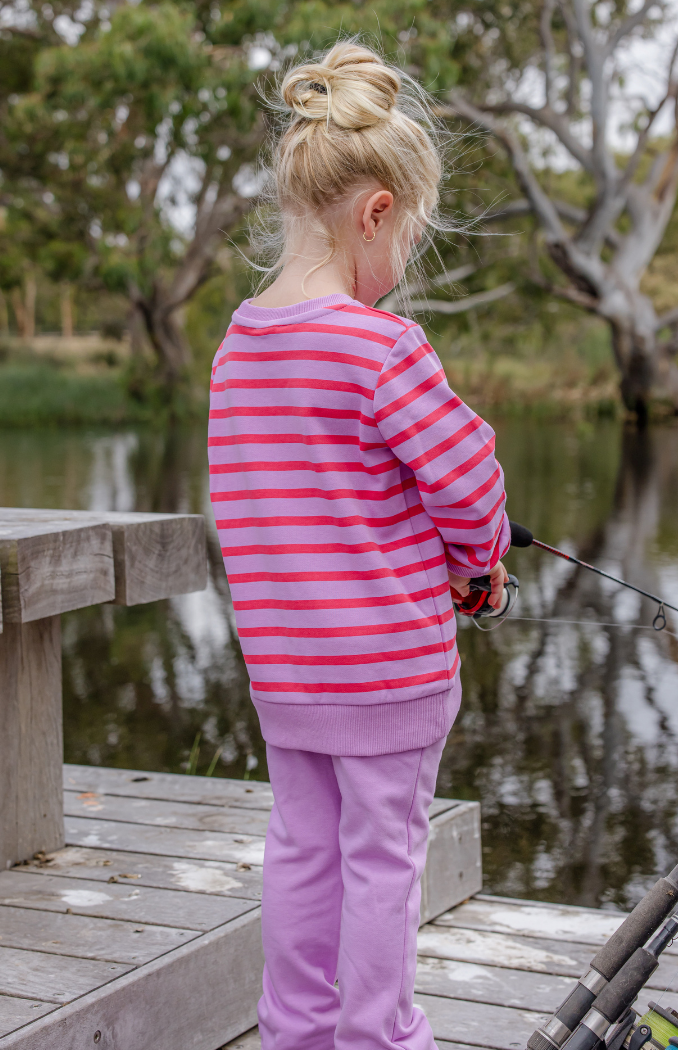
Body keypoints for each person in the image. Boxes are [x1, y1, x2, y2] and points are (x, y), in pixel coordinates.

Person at [208, 40, 510, 1050]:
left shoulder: (235, 351)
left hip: (286, 677)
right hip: (387, 679)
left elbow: (268, 506)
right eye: (409, 238)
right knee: (384, 860)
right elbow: (470, 492)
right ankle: (380, 1038)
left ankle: (294, 1034)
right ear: (374, 211)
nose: (402, 267)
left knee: (302, 850)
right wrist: (478, 566)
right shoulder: (385, 350)